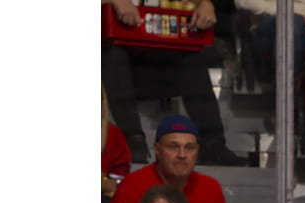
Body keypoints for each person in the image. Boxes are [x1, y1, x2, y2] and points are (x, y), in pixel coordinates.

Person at [102, 0, 246, 167]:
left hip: (151, 57)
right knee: (112, 55)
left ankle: (212, 145)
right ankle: (133, 141)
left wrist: (205, 4)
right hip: (109, 65)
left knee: (191, 59)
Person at [104, 116, 232, 203]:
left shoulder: (210, 188)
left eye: (189, 147)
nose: (182, 155)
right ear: (157, 149)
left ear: (197, 151)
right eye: (173, 147)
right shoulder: (132, 185)